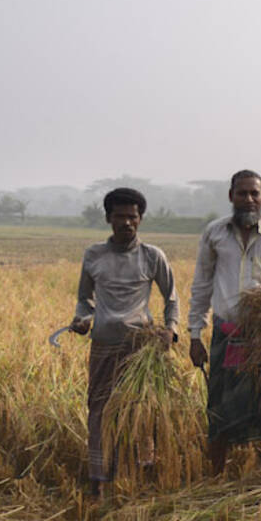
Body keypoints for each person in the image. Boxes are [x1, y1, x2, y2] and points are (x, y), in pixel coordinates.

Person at [187, 169, 261, 475]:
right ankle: (217, 476)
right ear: (231, 196)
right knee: (220, 411)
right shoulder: (214, 234)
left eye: (255, 193)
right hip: (226, 335)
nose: (249, 199)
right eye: (242, 193)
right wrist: (196, 334)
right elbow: (201, 286)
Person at [70, 187, 178, 499]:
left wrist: (170, 331)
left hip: (142, 349)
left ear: (140, 219)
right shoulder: (94, 255)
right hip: (103, 346)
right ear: (108, 218)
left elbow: (172, 299)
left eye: (132, 217)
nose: (127, 223)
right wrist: (82, 320)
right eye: (120, 216)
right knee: (100, 411)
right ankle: (99, 480)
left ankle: (142, 477)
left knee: (141, 411)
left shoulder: (152, 256)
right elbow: (84, 300)